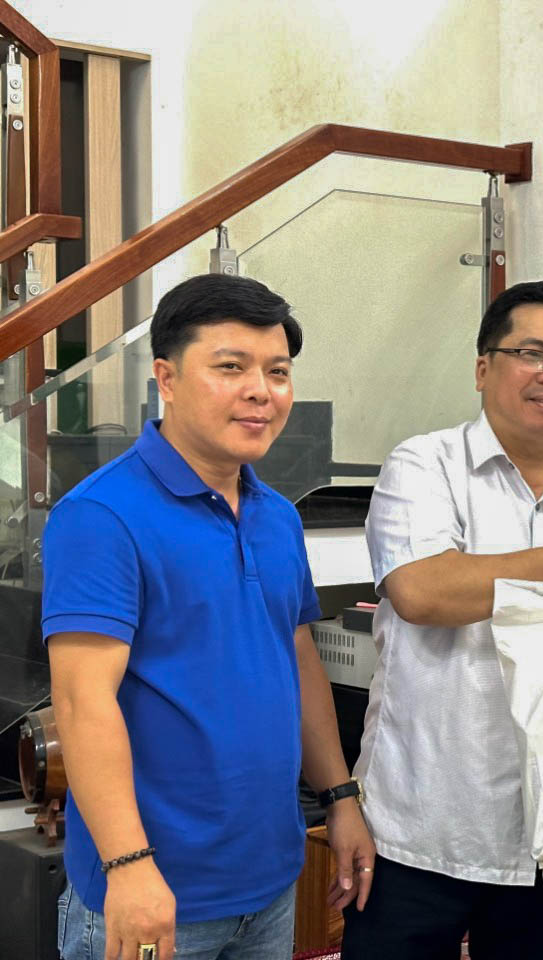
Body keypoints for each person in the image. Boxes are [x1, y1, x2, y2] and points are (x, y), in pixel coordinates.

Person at [42, 274, 375, 960]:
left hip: (269, 882)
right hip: (150, 893)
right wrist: (128, 869)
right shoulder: (102, 515)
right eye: (231, 367)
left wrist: (340, 797)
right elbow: (82, 702)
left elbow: (298, 657)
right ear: (166, 378)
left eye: (277, 371)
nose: (261, 390)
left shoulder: (279, 517)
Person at [340, 278, 543, 960]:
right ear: (484, 368)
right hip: (419, 828)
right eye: (533, 352)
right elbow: (423, 592)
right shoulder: (424, 466)